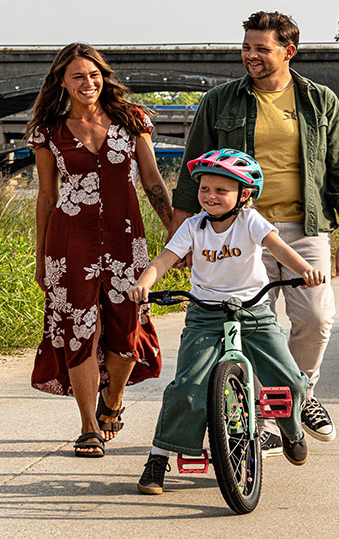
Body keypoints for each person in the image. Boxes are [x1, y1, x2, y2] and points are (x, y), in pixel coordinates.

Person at [177, 10, 339, 454]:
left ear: (288, 51)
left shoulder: (320, 102)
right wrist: (182, 240)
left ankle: (300, 396)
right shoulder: (219, 102)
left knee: (316, 320)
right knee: (246, 326)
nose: (251, 55)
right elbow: (190, 177)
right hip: (239, 231)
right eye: (246, 46)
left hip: (306, 228)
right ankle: (258, 414)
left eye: (261, 48)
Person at [128, 149, 327, 495]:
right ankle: (158, 460)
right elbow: (164, 259)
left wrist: (305, 271)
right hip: (205, 313)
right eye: (205, 189)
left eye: (221, 190)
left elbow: (278, 249)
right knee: (186, 389)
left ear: (244, 194)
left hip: (252, 312)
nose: (211, 196)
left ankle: (292, 430)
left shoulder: (250, 221)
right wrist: (145, 282)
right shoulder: (193, 226)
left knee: (292, 380)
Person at [28, 42, 186, 458]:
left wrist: (176, 232)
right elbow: (47, 197)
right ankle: (88, 426)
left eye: (94, 74)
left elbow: (152, 180)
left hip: (125, 239)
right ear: (61, 81)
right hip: (69, 242)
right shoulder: (49, 129)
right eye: (78, 76)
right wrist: (42, 256)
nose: (88, 82)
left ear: (104, 76)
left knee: (127, 327)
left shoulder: (131, 121)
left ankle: (112, 399)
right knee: (77, 328)